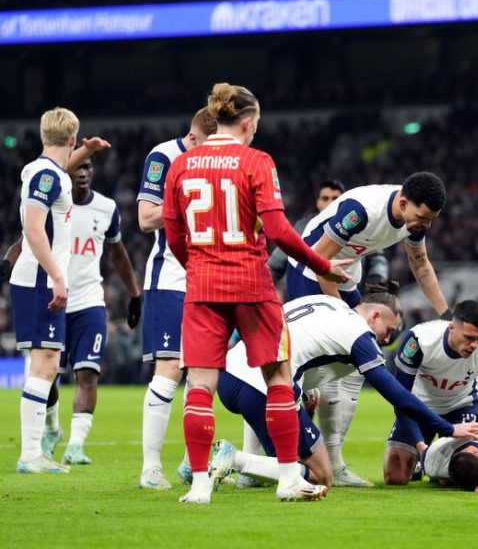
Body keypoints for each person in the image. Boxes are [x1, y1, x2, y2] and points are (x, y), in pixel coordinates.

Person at [162, 82, 351, 504]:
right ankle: (288, 479)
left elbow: (175, 237)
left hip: (203, 286)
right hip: (251, 282)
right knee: (279, 378)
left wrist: (199, 265)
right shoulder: (257, 161)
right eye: (256, 124)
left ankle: (199, 485)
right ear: (247, 122)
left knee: (199, 386)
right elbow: (281, 231)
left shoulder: (182, 165)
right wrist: (322, 264)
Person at [210, 288, 478, 488]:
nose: (387, 339)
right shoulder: (358, 334)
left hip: (232, 372)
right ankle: (235, 459)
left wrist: (302, 389)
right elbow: (395, 394)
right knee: (320, 475)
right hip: (263, 388)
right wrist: (447, 428)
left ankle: (206, 465)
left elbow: (296, 341)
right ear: (374, 316)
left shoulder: (327, 302)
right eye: (388, 330)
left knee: (284, 462)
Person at [286, 173, 450, 486]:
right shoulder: (361, 211)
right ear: (403, 203)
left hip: (346, 272)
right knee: (317, 368)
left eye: (431, 220)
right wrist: (341, 317)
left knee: (355, 369)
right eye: (423, 217)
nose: (426, 226)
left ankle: (335, 463)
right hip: (312, 267)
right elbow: (321, 258)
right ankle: (289, 454)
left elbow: (421, 265)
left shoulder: (411, 219)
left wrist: (446, 313)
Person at [11, 107, 110, 473]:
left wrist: (86, 151)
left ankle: (34, 450)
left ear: (42, 136)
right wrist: (57, 276)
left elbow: (61, 167)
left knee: (46, 365)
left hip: (37, 278)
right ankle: (30, 453)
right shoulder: (48, 178)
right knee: (45, 365)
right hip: (40, 278)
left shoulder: (47, 171)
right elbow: (35, 230)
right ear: (71, 138)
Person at [136, 107, 217, 491]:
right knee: (169, 370)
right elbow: (146, 217)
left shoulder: (219, 161)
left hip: (209, 279)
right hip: (170, 277)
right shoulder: (164, 156)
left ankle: (190, 461)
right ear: (197, 137)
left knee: (204, 372)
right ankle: (150, 467)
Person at [50, 159, 141, 466]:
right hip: (55, 302)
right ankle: (51, 428)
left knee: (87, 375)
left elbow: (118, 253)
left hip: (89, 303)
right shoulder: (51, 205)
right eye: (78, 166)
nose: (84, 172)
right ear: (67, 170)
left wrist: (134, 293)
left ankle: (75, 446)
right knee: (48, 378)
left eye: (89, 166)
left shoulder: (106, 208)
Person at [384, 299, 478, 485]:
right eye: (469, 337)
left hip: (462, 408)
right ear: (451, 328)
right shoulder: (420, 340)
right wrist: (420, 445)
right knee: (394, 477)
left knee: (462, 474)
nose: (474, 345)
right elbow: (400, 398)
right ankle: (420, 465)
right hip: (419, 408)